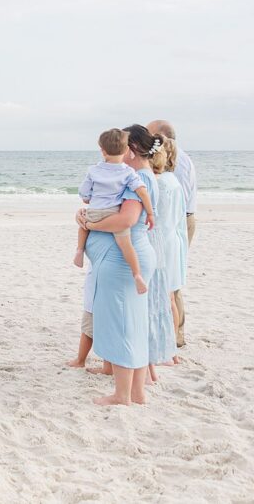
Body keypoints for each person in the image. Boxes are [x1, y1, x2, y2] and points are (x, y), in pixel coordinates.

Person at [77, 124, 161, 405]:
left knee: (121, 325)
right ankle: (137, 393)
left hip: (120, 262)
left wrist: (88, 221)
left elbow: (125, 221)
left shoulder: (137, 178)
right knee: (134, 324)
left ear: (131, 150)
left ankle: (122, 394)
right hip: (123, 259)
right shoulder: (137, 177)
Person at [73, 128, 155, 296]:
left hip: (95, 210)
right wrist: (151, 212)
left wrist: (88, 200)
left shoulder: (93, 170)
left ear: (102, 151)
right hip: (112, 212)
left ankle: (79, 251)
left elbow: (84, 192)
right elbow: (142, 192)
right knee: (126, 245)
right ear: (126, 150)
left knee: (83, 226)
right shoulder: (128, 173)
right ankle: (137, 275)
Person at [147, 119, 196, 347]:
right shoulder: (180, 157)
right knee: (172, 282)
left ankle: (175, 335)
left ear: (160, 137)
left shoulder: (172, 166)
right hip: (181, 219)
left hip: (178, 221)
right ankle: (174, 334)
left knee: (170, 284)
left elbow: (170, 206)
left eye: (149, 135)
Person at [150, 138, 188, 364]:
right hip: (173, 240)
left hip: (162, 242)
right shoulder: (173, 179)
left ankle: (169, 349)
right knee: (171, 295)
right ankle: (171, 348)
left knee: (165, 298)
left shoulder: (159, 183)